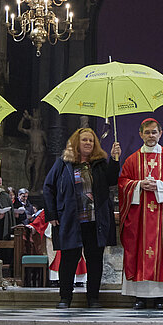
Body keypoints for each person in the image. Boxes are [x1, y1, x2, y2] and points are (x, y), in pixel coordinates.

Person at [43, 126, 123, 308]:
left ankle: (93, 298)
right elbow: (48, 187)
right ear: (76, 143)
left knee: (95, 260)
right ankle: (65, 298)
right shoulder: (63, 163)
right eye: (84, 140)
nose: (88, 143)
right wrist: (52, 214)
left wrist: (114, 158)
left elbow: (112, 180)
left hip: (96, 221)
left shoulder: (100, 162)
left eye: (91, 140)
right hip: (72, 220)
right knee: (69, 260)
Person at [118, 117, 163, 310]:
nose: (150, 135)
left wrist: (159, 185)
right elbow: (123, 184)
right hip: (139, 219)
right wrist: (138, 185)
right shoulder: (132, 159)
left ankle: (160, 297)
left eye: (154, 132)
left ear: (160, 133)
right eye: (146, 132)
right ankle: (138, 296)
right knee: (138, 252)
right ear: (140, 134)